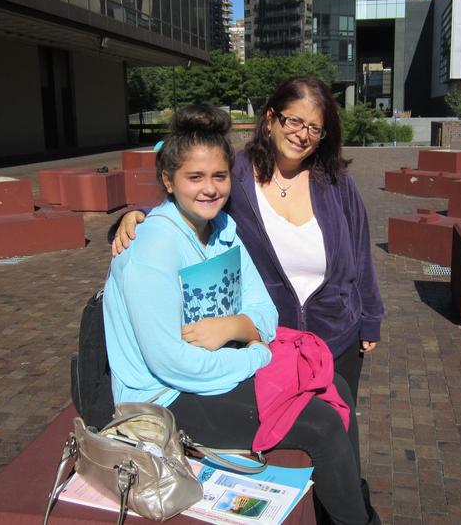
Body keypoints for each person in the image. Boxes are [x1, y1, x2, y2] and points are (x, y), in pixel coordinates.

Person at [104, 105, 377, 524]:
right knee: (321, 425)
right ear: (168, 181)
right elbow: (172, 362)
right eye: (195, 178)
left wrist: (236, 326)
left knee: (333, 382)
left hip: (215, 367)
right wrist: (257, 355)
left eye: (220, 176)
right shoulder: (152, 249)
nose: (210, 189)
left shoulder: (223, 230)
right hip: (165, 397)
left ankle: (349, 505)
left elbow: (263, 310)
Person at [113, 77, 384, 404]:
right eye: (294, 120)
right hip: (270, 341)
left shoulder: (337, 183)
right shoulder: (236, 175)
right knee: (282, 443)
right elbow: (196, 196)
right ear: (270, 119)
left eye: (315, 128)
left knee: (337, 422)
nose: (303, 135)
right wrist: (140, 214)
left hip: (336, 335)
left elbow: (361, 255)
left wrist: (370, 320)